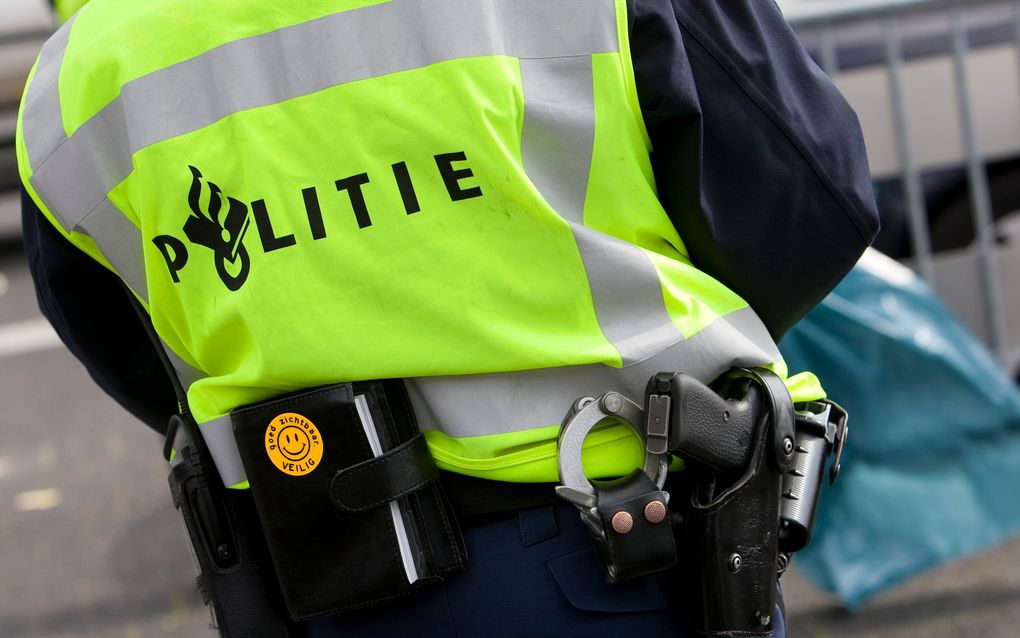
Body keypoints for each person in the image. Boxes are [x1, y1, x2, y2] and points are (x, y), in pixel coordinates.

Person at [17, 0, 878, 635]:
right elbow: (810, 205)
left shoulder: (82, 70)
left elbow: (127, 345)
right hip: (618, 554)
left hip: (328, 573)